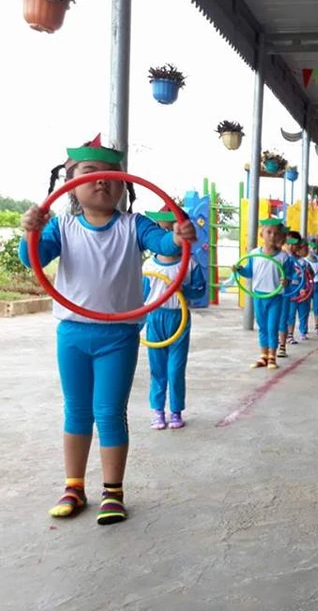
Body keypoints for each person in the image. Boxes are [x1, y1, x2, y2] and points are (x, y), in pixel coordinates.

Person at [19, 135, 196, 525]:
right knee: (77, 411)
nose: (101, 180)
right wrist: (30, 231)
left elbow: (163, 241)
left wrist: (179, 237)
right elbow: (34, 257)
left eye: (111, 174)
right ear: (70, 182)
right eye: (89, 172)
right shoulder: (61, 227)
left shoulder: (135, 225)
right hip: (73, 333)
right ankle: (74, 486)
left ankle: (113, 492)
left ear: (124, 185)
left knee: (110, 412)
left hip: (118, 336)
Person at [142, 210, 207, 430]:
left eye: (173, 230)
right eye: (162, 230)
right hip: (155, 318)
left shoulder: (190, 263)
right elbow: (142, 298)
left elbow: (200, 291)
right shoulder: (148, 266)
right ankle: (158, 411)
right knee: (157, 368)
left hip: (179, 317)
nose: (168, 235)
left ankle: (176, 411)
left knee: (176, 368)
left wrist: (184, 289)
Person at [233, 220, 292, 369]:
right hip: (258, 296)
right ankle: (263, 356)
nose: (272, 236)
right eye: (269, 232)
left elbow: (290, 276)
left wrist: (286, 281)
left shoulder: (283, 257)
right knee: (262, 326)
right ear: (261, 234)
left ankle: (272, 357)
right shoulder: (254, 254)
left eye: (276, 233)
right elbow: (249, 272)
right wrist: (239, 270)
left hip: (275, 297)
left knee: (273, 327)